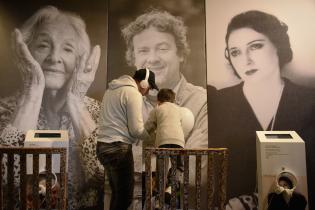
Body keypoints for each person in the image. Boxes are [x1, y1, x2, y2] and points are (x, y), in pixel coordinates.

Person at [0, 6, 104, 209]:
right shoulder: (4, 110)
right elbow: (5, 180)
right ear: (25, 53)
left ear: (79, 61)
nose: (54, 57)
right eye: (43, 45)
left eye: (67, 49)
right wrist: (32, 91)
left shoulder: (96, 112)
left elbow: (104, 178)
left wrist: (75, 101)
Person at [209, 10, 315, 210]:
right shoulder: (218, 103)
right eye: (235, 52)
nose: (245, 60)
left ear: (278, 45)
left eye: (255, 46)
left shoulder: (310, 101)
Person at [121, 9, 208, 207]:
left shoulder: (201, 101)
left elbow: (194, 171)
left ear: (181, 54)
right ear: (133, 59)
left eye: (162, 48)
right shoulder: (124, 103)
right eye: (143, 50)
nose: (152, 59)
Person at [96, 68, 159, 210]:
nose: (148, 91)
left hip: (102, 147)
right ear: (143, 83)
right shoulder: (133, 93)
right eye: (149, 87)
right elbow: (136, 129)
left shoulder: (111, 90)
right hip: (118, 148)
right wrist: (153, 139)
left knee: (116, 194)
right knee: (124, 198)